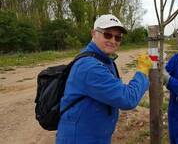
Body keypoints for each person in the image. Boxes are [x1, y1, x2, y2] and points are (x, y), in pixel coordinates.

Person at [56, 14, 152, 144]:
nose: (113, 40)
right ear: (94, 33)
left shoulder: (103, 59)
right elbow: (127, 99)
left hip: (96, 136)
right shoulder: (90, 67)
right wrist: (141, 72)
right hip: (80, 138)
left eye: (118, 37)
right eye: (107, 34)